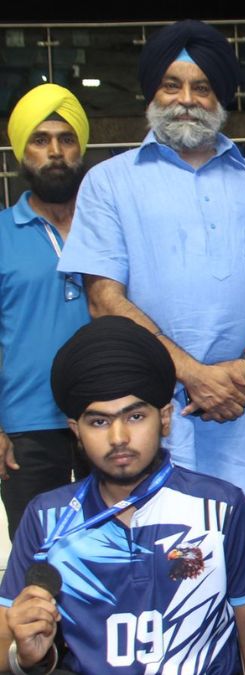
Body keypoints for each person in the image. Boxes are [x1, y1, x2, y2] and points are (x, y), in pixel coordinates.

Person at [57, 20, 245, 525]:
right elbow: (103, 299)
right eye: (172, 85)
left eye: (201, 87)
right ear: (152, 92)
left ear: (220, 97)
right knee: (166, 555)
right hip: (149, 413)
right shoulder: (108, 182)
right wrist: (194, 375)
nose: (187, 99)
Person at [0, 316, 245, 675]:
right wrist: (26, 657)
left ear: (165, 419)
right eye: (99, 422)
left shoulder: (221, 508)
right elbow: (6, 642)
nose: (119, 437)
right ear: (76, 431)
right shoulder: (46, 517)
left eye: (135, 416)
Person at [0, 84, 92, 537]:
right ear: (22, 152)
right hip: (26, 429)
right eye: (40, 140)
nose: (55, 151)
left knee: (114, 553)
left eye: (66, 138)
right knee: (37, 561)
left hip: (109, 416)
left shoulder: (107, 227)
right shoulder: (1, 233)